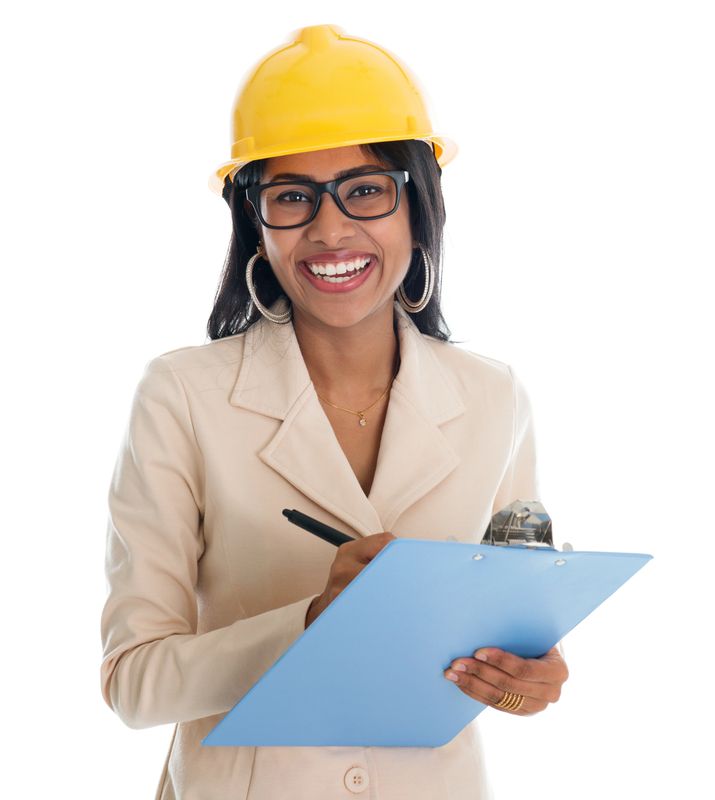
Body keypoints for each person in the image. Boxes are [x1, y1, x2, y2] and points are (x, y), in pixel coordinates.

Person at [99, 23, 568, 800]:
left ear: (419, 207)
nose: (329, 229)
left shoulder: (495, 398)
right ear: (255, 220)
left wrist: (526, 683)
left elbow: (515, 652)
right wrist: (311, 624)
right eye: (291, 197)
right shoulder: (181, 396)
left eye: (365, 190)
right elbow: (131, 684)